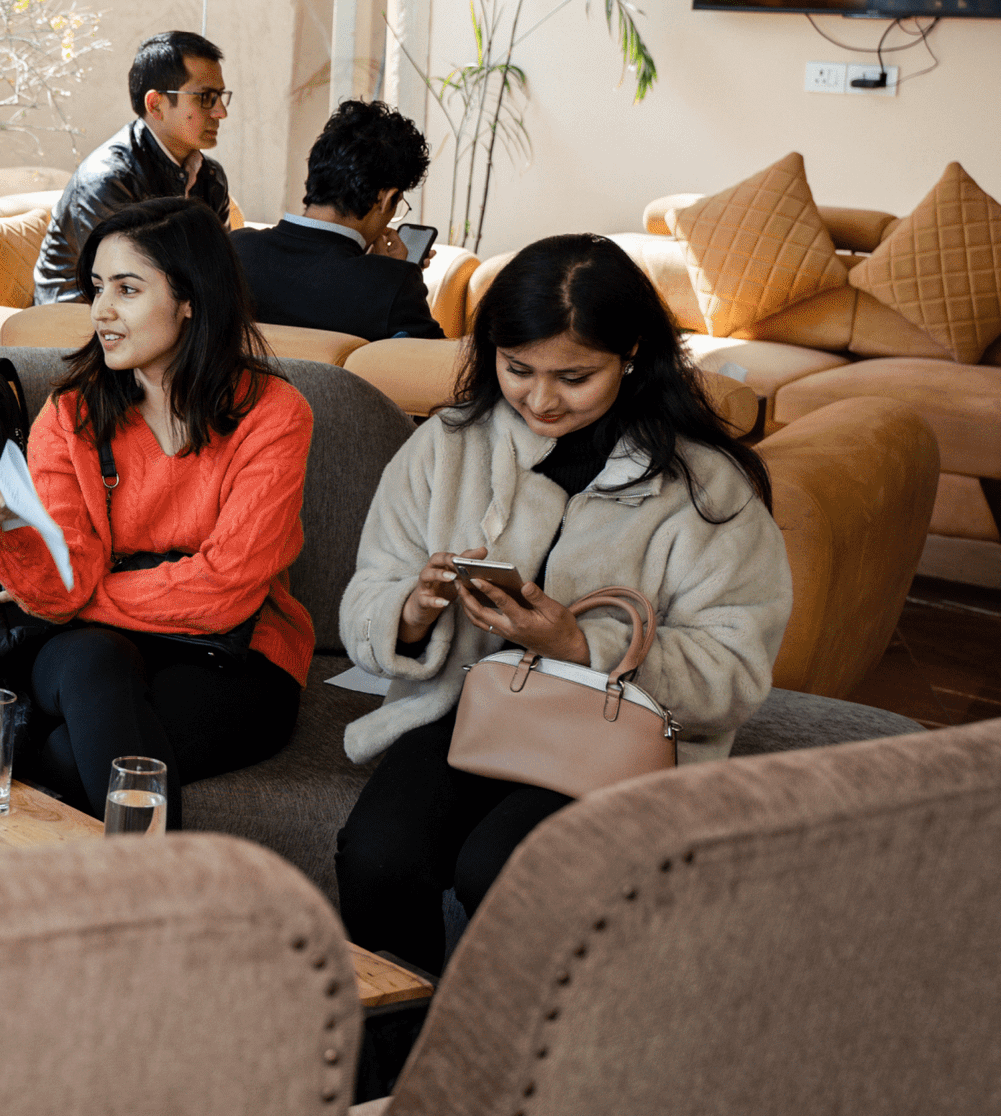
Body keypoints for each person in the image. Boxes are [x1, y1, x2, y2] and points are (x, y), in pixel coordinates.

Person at [334, 234, 791, 976]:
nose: (541, 399)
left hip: (624, 739)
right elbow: (365, 600)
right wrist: (412, 610)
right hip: (470, 715)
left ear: (633, 353)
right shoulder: (446, 447)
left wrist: (582, 646)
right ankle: (400, 1053)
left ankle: (509, 1061)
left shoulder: (708, 491)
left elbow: (735, 671)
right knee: (377, 856)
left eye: (574, 376)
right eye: (517, 370)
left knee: (503, 866)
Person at [0, 198, 312, 817]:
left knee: (72, 755)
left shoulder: (274, 414)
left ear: (189, 298)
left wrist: (92, 593)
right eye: (96, 288)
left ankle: (139, 904)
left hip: (231, 656)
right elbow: (60, 580)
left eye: (127, 289)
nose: (101, 312)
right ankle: (166, 909)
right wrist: (5, 530)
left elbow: (227, 589)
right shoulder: (71, 414)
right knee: (93, 660)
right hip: (91, 651)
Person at [31, 30, 233, 305]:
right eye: (206, 97)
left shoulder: (211, 178)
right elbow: (129, 286)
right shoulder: (108, 179)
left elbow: (222, 275)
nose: (220, 112)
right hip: (78, 325)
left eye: (221, 96)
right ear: (156, 104)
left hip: (159, 321)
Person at [232, 98, 443, 342]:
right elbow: (440, 366)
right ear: (386, 199)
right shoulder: (393, 285)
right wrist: (393, 274)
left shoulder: (233, 249)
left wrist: (382, 270)